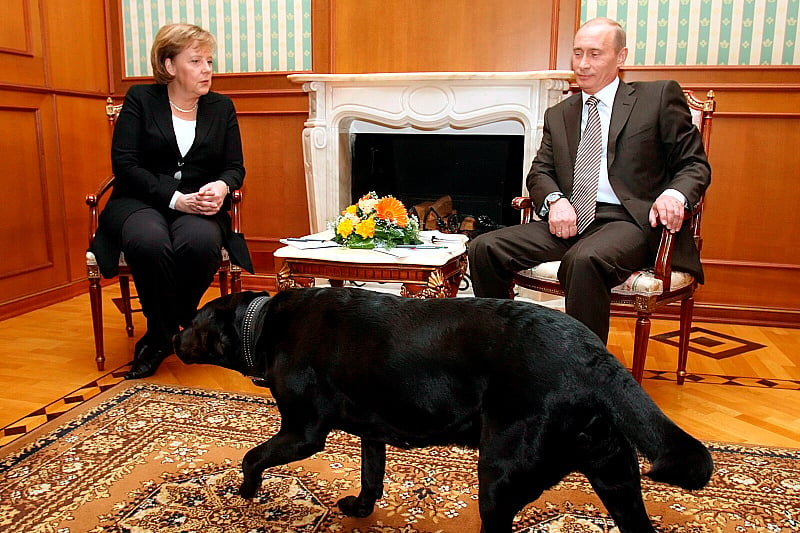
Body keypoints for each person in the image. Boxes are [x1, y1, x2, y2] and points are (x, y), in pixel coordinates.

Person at [468, 17, 710, 344]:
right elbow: (540, 171)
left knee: (584, 260)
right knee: (485, 247)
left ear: (620, 57)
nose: (583, 64)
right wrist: (555, 201)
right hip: (572, 220)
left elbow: (694, 164)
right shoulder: (561, 113)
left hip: (629, 222)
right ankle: (502, 347)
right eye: (577, 53)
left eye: (595, 54)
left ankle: (587, 370)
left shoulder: (656, 98)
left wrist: (673, 195)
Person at [92, 23, 253, 379]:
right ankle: (172, 331)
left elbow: (234, 166)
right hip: (139, 201)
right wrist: (174, 198)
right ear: (169, 66)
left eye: (209, 60)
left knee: (200, 241)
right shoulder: (140, 100)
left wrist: (223, 187)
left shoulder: (221, 108)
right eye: (195, 61)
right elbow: (125, 164)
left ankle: (159, 334)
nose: (207, 69)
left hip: (197, 205)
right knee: (148, 240)